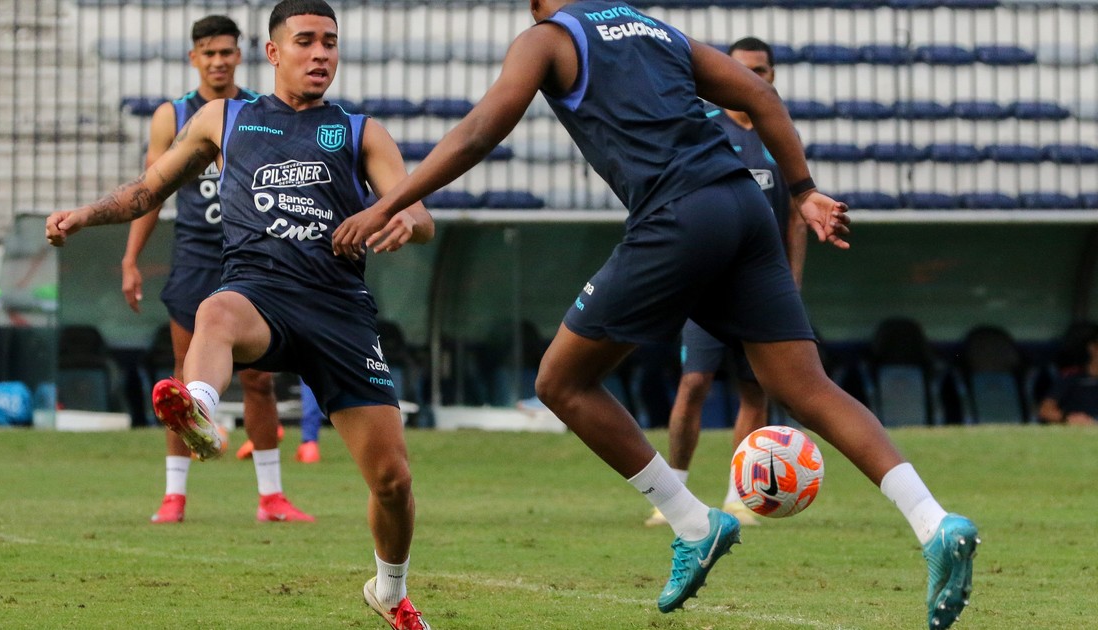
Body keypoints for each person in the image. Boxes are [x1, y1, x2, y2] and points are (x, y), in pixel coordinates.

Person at [332, 2, 978, 628]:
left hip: (679, 215)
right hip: (744, 207)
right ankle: (934, 522)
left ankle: (693, 524)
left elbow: (479, 132)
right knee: (804, 385)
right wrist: (804, 191)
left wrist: (389, 203)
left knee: (561, 382)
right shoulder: (649, 26)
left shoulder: (548, 39)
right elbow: (760, 96)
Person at [47, 2, 434, 628]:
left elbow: (420, 216)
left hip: (339, 311)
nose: (321, 54)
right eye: (305, 41)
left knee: (392, 481)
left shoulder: (360, 131)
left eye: (330, 42)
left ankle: (390, 589)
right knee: (217, 310)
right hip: (260, 294)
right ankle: (198, 408)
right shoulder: (224, 119)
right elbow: (147, 189)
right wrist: (85, 215)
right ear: (273, 52)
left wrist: (395, 219)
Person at [120, 15, 312, 525]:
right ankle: (174, 495)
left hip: (247, 255)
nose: (219, 61)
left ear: (239, 56)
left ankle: (271, 497)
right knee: (183, 379)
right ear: (195, 58)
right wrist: (131, 258)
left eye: (227, 52)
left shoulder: (255, 112)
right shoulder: (173, 115)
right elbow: (151, 191)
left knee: (259, 379)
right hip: (194, 257)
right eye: (209, 53)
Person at [644, 36, 806, 530]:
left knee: (754, 391)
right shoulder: (705, 128)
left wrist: (792, 283)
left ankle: (740, 497)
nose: (753, 78)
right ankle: (672, 492)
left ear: (772, 75)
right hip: (708, 285)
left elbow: (797, 216)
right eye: (743, 69)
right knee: (694, 383)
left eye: (761, 70)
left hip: (761, 289)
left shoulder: (779, 130)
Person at [1038, 328, 1098, 425]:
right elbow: (1045, 411)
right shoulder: (1072, 377)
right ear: (1092, 348)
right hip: (1080, 430)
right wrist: (1068, 418)